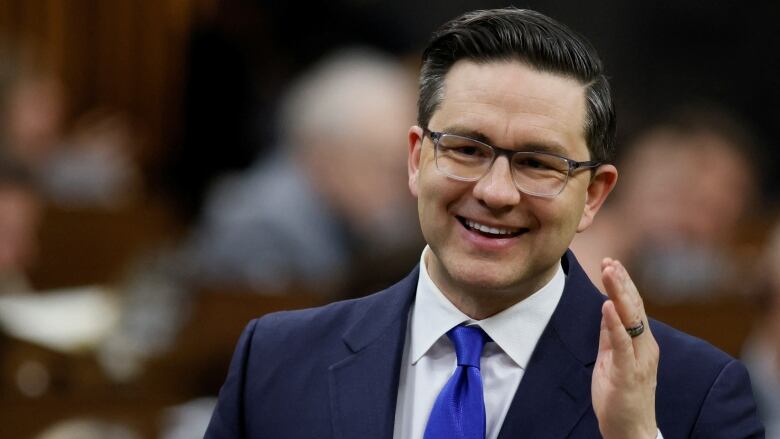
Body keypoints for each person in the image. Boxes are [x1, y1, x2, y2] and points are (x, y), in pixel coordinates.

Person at [205, 8, 763, 438]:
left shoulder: (694, 394)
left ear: (593, 195)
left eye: (539, 163)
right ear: (415, 160)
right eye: (468, 149)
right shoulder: (276, 360)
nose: (496, 192)